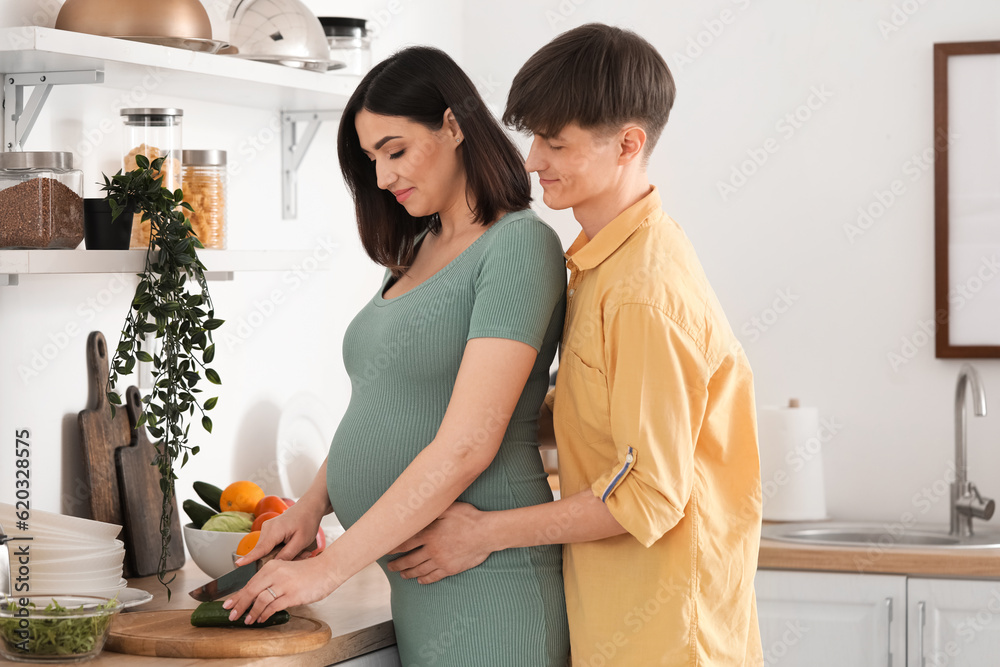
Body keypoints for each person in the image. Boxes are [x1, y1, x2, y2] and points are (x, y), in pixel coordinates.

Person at [387, 24, 764, 666]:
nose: (533, 161)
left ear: (628, 144)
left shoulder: (645, 292)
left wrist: (483, 534)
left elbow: (648, 496)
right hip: (616, 628)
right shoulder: (598, 266)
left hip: (671, 644)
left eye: (555, 143)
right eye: (534, 138)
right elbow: (598, 423)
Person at [223, 46, 570, 666]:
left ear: (454, 125)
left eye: (395, 149)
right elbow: (382, 398)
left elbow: (468, 445)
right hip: (419, 584)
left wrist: (330, 569)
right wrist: (310, 507)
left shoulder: (518, 245)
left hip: (491, 584)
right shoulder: (419, 244)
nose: (382, 177)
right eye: (371, 160)